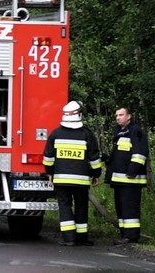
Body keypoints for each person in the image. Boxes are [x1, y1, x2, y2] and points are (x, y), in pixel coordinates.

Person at [43, 100, 103, 246]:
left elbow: (48, 157)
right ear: (79, 115)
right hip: (81, 181)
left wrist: (49, 173)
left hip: (61, 180)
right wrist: (96, 174)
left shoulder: (55, 134)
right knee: (81, 206)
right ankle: (82, 238)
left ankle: (69, 239)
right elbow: (94, 157)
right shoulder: (86, 134)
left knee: (65, 206)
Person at [108, 106, 148, 244]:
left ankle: (131, 236)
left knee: (129, 208)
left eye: (121, 115)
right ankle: (124, 234)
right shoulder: (120, 133)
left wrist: (132, 171)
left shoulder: (135, 131)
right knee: (121, 208)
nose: (118, 117)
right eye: (116, 115)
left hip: (130, 179)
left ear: (129, 116)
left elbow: (139, 154)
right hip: (119, 179)